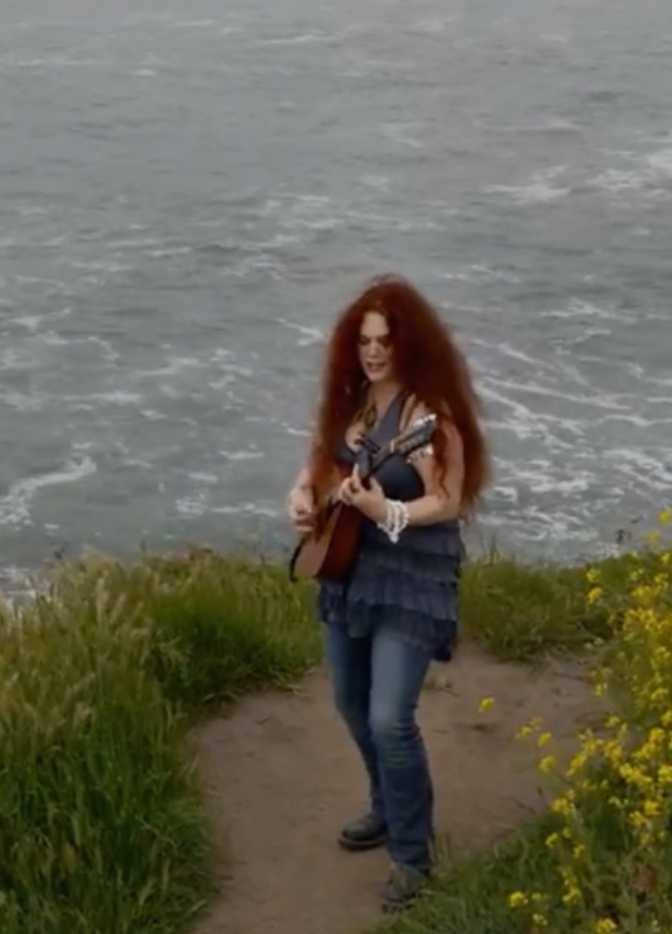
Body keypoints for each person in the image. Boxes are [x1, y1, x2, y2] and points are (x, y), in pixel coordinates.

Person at [286, 274, 489, 911]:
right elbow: (319, 461)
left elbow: (448, 500)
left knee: (389, 718)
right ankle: (385, 804)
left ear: (409, 344)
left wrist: (388, 511)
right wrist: (302, 494)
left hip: (413, 573)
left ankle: (412, 852)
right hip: (347, 563)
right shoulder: (349, 401)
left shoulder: (429, 415)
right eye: (364, 341)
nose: (373, 352)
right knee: (351, 702)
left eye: (385, 341)